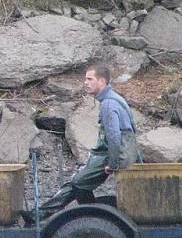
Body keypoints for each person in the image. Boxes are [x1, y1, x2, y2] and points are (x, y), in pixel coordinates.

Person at [23, 64, 138, 225]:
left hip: (111, 154)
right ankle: (39, 215)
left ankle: (92, 217)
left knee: (78, 183)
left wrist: (113, 164)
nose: (85, 82)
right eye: (85, 79)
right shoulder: (114, 99)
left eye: (90, 79)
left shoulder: (108, 104)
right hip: (112, 153)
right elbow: (131, 130)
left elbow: (114, 136)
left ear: (102, 81)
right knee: (76, 181)